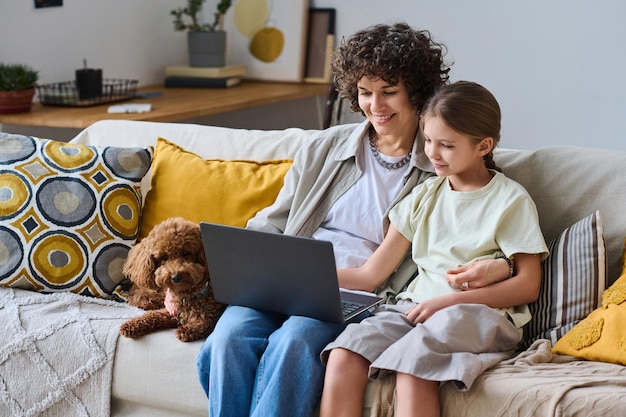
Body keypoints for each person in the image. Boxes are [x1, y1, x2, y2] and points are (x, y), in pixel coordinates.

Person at [191, 24, 511, 417]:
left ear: (418, 91)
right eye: (364, 92)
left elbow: (480, 223)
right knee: (229, 339)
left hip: (359, 294)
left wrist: (500, 266)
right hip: (285, 278)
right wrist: (239, 266)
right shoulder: (324, 147)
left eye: (389, 92)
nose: (375, 105)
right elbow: (274, 223)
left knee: (295, 340)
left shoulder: (442, 167)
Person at [319, 81, 550, 417]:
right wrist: (304, 276)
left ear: (483, 145)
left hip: (479, 315)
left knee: (413, 363)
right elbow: (371, 274)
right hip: (416, 309)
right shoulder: (424, 197)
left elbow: (528, 284)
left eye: (447, 145)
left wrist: (450, 300)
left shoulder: (509, 200)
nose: (433, 153)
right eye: (428, 140)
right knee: (344, 354)